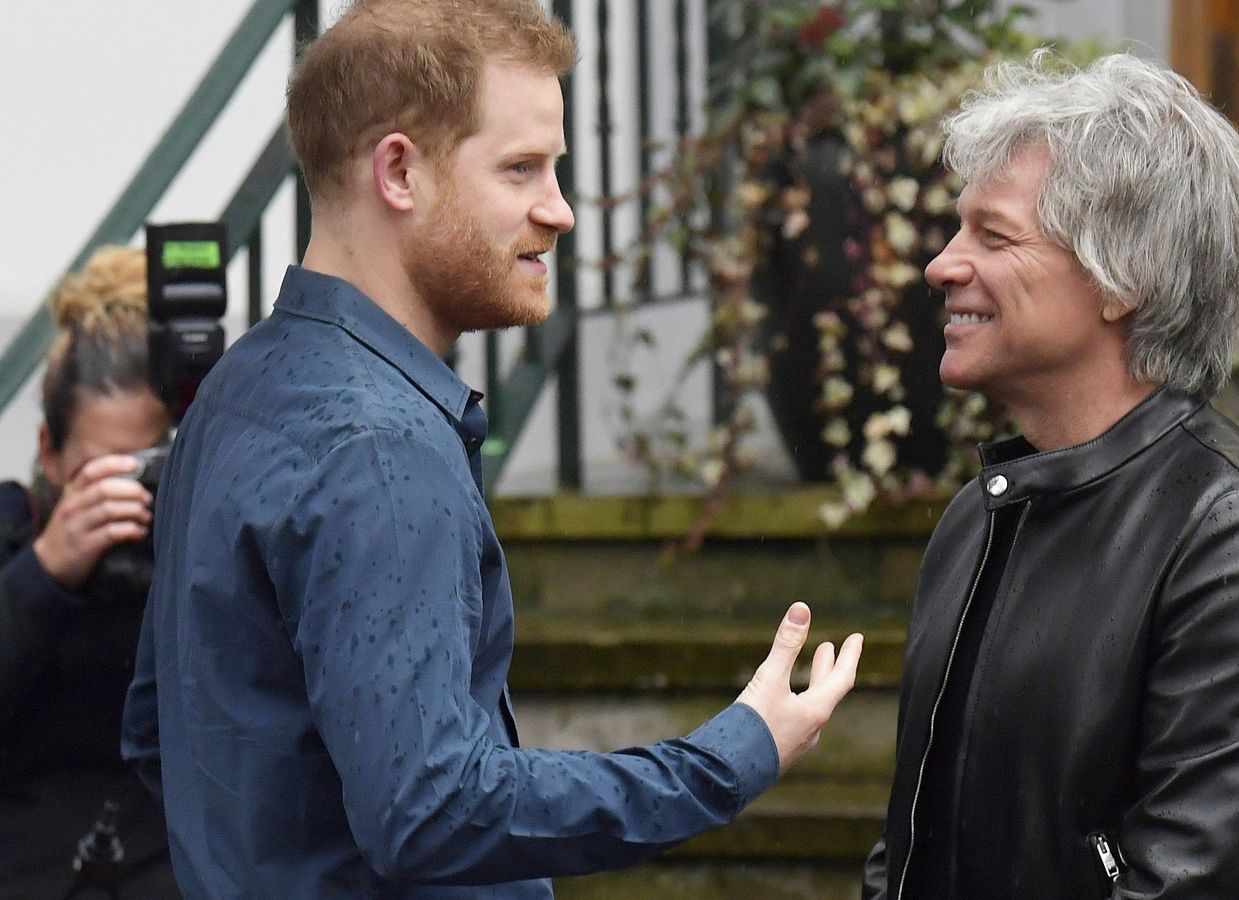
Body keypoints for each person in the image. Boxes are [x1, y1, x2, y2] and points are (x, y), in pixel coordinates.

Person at [121, 1, 862, 897]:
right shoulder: (377, 446)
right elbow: (434, 812)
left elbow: (157, 733)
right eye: (522, 169)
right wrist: (728, 757)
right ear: (398, 170)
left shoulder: (236, 391)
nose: (560, 211)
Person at [863, 52, 1239, 898]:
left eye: (994, 234)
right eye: (956, 228)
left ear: (1123, 279)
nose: (942, 264)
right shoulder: (979, 519)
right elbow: (909, 851)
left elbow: (1197, 882)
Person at [0, 246, 180, 897]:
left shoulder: (206, 547)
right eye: (102, 472)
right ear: (48, 453)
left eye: (145, 469)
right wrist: (44, 575)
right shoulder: (14, 534)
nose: (123, 496)